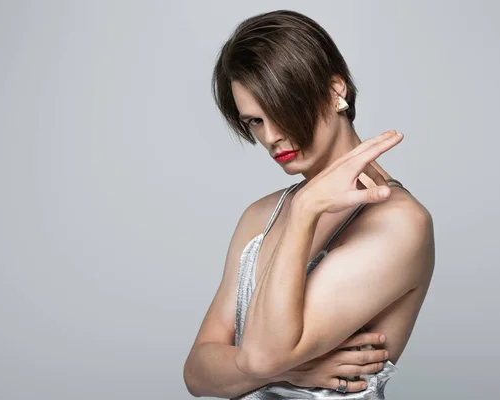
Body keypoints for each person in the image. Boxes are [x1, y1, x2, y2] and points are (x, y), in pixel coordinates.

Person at [183, 9, 435, 399]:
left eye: (281, 108)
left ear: (336, 91)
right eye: (255, 122)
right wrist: (296, 370)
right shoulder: (260, 215)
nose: (272, 136)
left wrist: (304, 212)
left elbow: (262, 357)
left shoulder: (400, 223)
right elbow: (197, 374)